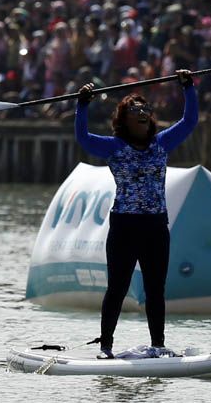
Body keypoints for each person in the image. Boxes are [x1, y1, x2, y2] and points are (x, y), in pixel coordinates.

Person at [74, 69, 197, 359]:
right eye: (134, 109)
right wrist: (83, 105)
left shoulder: (161, 143)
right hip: (124, 227)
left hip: (155, 225)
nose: (142, 112)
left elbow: (189, 121)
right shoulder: (113, 146)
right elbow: (82, 138)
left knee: (156, 289)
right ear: (124, 119)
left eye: (145, 108)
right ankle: (106, 347)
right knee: (117, 288)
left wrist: (188, 87)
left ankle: (158, 345)